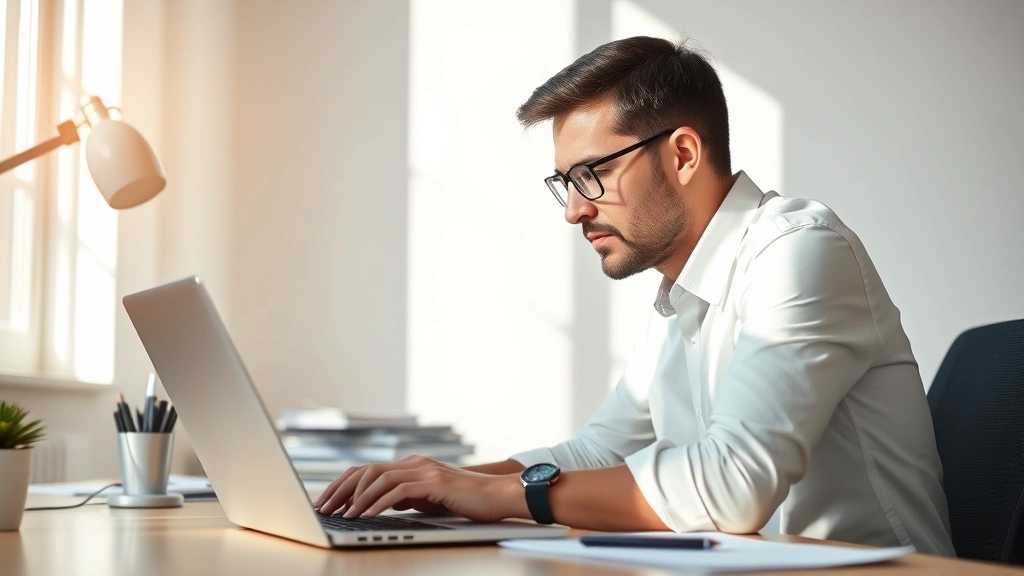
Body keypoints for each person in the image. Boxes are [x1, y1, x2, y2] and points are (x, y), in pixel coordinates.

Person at [313, 36, 954, 556]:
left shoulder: (800, 252)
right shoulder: (681, 293)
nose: (573, 212)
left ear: (681, 154)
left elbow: (733, 486)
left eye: (592, 174)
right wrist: (442, 486)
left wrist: (508, 496)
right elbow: (597, 453)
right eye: (565, 182)